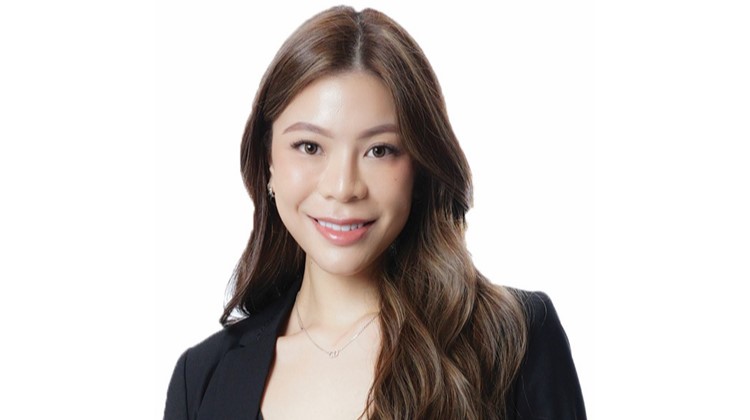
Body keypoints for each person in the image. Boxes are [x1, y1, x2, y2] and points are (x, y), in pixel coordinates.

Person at [164, 6, 586, 420]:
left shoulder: (515, 340)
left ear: (420, 167)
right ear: (267, 161)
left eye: (379, 150)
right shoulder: (201, 379)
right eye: (309, 147)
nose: (343, 187)